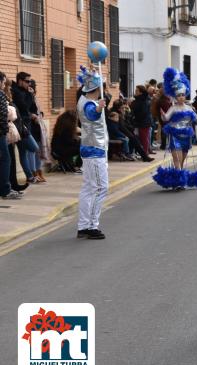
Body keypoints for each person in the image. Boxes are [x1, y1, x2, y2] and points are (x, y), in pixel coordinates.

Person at [153, 67, 197, 190]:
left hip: (186, 137)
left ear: (185, 94)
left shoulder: (189, 108)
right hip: (175, 136)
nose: (181, 97)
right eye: (178, 95)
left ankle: (177, 179)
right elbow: (166, 119)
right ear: (175, 97)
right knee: (177, 159)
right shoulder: (173, 108)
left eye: (182, 95)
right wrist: (163, 115)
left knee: (181, 161)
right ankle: (180, 183)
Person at [75, 66, 109, 240]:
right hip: (95, 151)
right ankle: (92, 226)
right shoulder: (90, 104)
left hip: (91, 149)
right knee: (101, 188)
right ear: (97, 89)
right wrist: (98, 109)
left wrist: (93, 72)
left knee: (88, 188)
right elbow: (91, 114)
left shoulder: (82, 99)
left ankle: (83, 226)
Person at [11, 71, 40, 184]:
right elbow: (24, 107)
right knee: (34, 147)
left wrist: (31, 95)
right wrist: (30, 95)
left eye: (30, 82)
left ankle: (30, 177)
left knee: (23, 152)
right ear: (20, 81)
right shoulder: (17, 92)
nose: (29, 84)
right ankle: (30, 176)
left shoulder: (24, 91)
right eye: (27, 81)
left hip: (26, 126)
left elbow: (31, 107)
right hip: (20, 127)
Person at [0, 71, 21, 199]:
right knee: (6, 159)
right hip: (1, 133)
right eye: (3, 82)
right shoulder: (1, 95)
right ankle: (6, 190)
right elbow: (2, 115)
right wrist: (4, 130)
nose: (4, 85)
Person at [131, 85, 152, 155]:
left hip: (143, 122)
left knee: (144, 138)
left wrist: (135, 118)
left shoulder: (144, 100)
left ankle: (145, 153)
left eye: (137, 91)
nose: (135, 92)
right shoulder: (139, 99)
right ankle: (143, 152)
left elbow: (143, 113)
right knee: (140, 138)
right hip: (140, 122)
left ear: (141, 92)